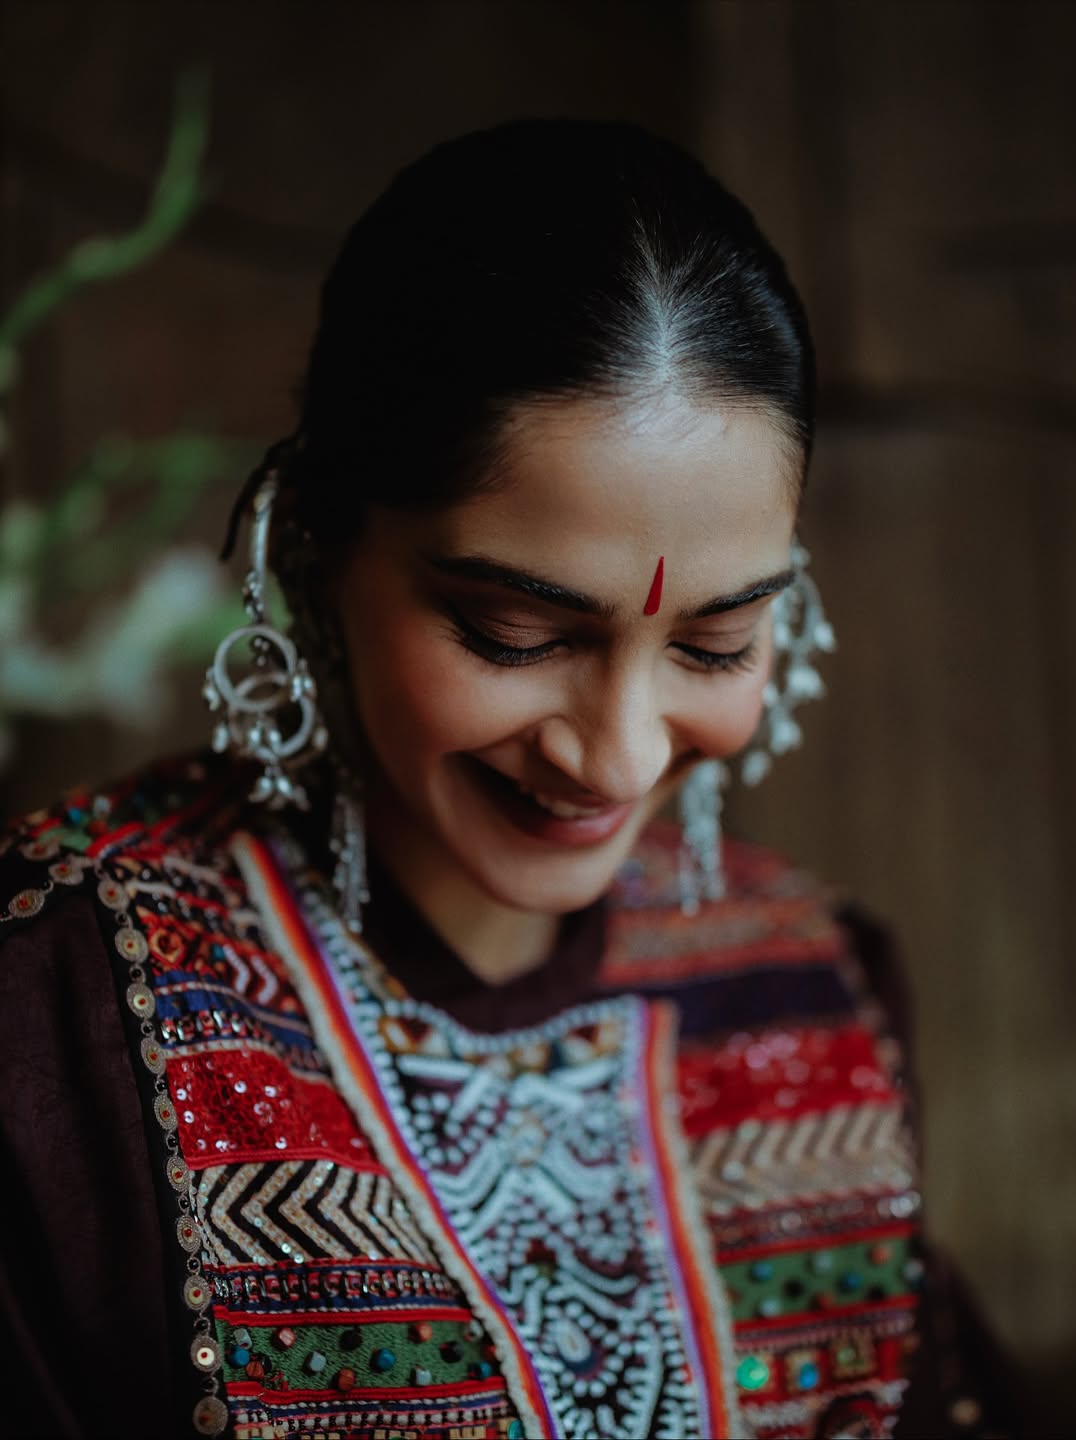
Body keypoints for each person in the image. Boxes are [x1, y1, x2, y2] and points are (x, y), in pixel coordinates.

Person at [0, 120, 1023, 1440]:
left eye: (716, 644)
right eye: (516, 635)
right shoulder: (60, 1003)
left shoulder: (816, 985)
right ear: (315, 546)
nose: (621, 755)